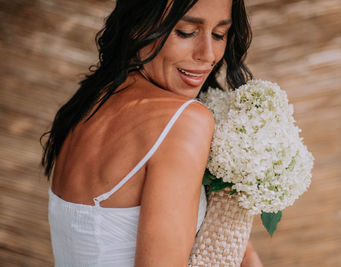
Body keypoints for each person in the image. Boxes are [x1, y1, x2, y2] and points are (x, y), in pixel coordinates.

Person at [40, 0, 262, 266]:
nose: (207, 54)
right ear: (139, 25)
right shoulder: (184, 122)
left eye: (219, 35)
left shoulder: (88, 103)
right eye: (186, 32)